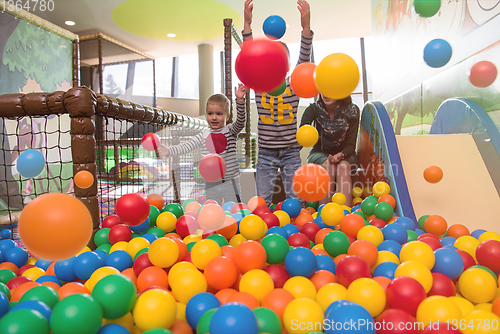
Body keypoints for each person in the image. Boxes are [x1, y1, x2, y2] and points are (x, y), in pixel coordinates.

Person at [242, 0, 313, 206]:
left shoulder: (294, 84)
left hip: (291, 150)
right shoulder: (259, 84)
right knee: (262, 199)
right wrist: (247, 24)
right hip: (265, 152)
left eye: (282, 59)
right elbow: (249, 55)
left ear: (288, 65)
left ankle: (296, 230)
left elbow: (304, 58)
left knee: (296, 198)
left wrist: (305, 28)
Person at [158, 84, 247, 205]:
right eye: (210, 114)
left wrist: (240, 101)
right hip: (211, 182)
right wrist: (169, 150)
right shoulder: (203, 134)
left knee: (234, 207)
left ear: (227, 116)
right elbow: (187, 146)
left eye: (219, 114)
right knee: (212, 207)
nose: (214, 117)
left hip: (230, 181)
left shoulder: (230, 131)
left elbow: (241, 122)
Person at [299, 94, 360, 205]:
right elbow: (302, 136)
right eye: (323, 89)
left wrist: (341, 154)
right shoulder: (313, 109)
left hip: (346, 154)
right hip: (319, 152)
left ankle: (344, 213)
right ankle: (324, 213)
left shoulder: (352, 110)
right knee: (329, 165)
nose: (326, 94)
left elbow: (351, 144)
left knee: (343, 166)